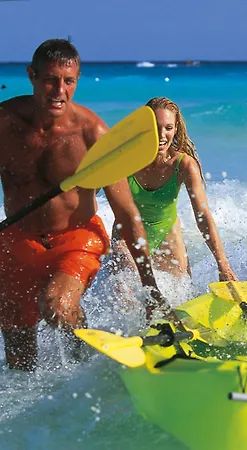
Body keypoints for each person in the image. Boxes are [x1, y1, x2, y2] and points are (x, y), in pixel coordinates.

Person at [0, 39, 162, 371]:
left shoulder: (93, 134)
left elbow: (127, 213)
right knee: (18, 354)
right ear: (32, 75)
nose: (59, 91)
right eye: (50, 79)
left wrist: (150, 287)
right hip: (16, 237)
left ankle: (84, 362)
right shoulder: (5, 123)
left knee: (57, 306)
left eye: (68, 81)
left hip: (77, 238)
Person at [111, 97, 237, 285]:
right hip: (126, 236)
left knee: (182, 292)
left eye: (168, 128)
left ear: (176, 129)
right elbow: (88, 197)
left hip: (166, 235)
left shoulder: (184, 165)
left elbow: (203, 216)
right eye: (155, 127)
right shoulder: (124, 160)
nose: (162, 135)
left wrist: (223, 265)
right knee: (130, 289)